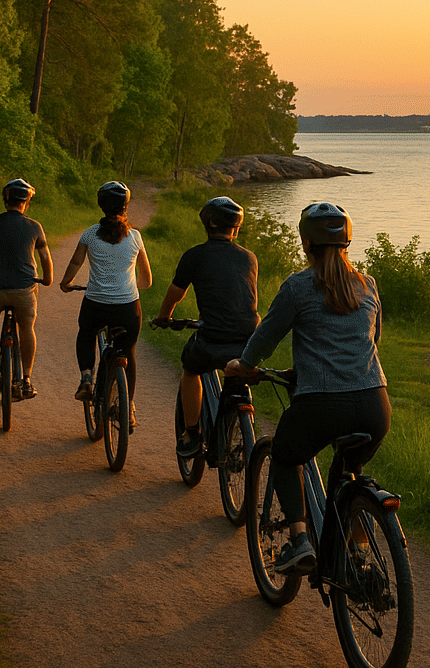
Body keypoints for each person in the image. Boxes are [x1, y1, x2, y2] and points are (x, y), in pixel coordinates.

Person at [226, 202, 388, 576]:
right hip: (375, 404)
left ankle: (299, 541)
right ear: (347, 242)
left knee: (285, 455)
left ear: (306, 243)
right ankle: (357, 557)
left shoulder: (298, 286)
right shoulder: (368, 285)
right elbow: (371, 340)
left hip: (321, 406)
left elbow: (265, 336)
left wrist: (243, 366)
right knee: (349, 473)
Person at [154, 196, 259, 459]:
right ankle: (244, 425)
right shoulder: (249, 258)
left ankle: (192, 433)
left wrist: (164, 317)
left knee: (191, 370)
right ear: (235, 227)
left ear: (209, 223)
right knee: (237, 372)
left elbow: (175, 293)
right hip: (249, 338)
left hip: (213, 338)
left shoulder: (195, 256)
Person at [59, 182, 152, 421]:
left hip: (96, 304)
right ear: (126, 205)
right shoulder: (135, 237)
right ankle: (128, 408)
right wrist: (132, 285)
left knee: (86, 333)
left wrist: (66, 282)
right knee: (128, 351)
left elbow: (75, 262)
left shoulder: (90, 233)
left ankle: (87, 377)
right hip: (127, 308)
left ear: (101, 205)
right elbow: (147, 280)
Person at [0, 178, 52, 400]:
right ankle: (26, 379)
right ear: (26, 203)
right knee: (27, 327)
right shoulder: (35, 226)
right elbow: (45, 257)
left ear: (6, 200)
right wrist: (48, 279)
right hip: (24, 289)